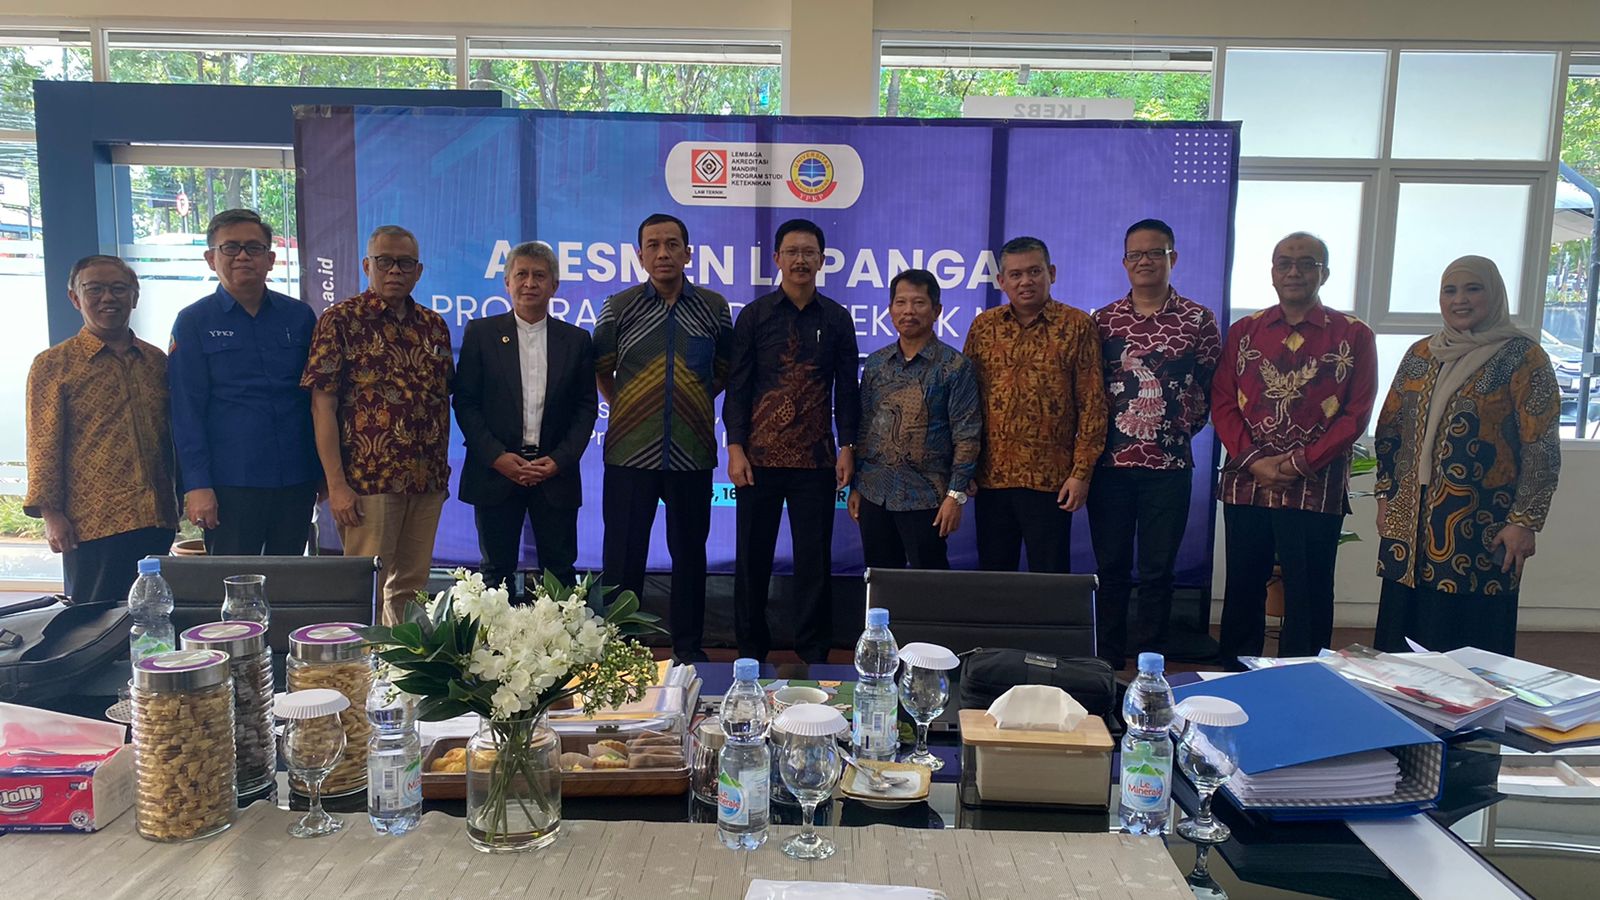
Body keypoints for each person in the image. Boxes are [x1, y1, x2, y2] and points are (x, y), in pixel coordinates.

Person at [1372, 256, 1560, 656]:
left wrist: (1524, 521)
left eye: (1473, 289)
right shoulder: (1421, 354)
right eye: (1450, 290)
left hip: (1483, 528)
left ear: (1494, 295)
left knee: (1469, 647)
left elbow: (1541, 447)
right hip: (1410, 523)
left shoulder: (1523, 357)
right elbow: (1390, 429)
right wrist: (1387, 497)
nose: (1460, 299)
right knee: (1401, 641)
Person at [1212, 232, 1377, 668]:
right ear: (1272, 273)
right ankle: (1235, 675)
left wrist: (1301, 462)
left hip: (1315, 486)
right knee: (1243, 587)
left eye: (1306, 263)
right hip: (1248, 483)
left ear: (1325, 273)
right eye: (1284, 263)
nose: (1294, 272)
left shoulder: (1354, 334)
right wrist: (1255, 462)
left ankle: (1302, 677)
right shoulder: (1244, 332)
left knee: (1309, 591)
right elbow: (1223, 402)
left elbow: (1356, 412)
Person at [594, 213, 733, 662]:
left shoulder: (714, 308)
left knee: (690, 555)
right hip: (629, 452)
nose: (663, 253)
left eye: (672, 244)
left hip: (692, 452)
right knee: (623, 558)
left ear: (688, 253)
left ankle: (688, 649)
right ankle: (618, 649)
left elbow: (723, 370)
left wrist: (690, 401)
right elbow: (601, 368)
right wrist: (631, 405)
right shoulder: (619, 306)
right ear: (640, 256)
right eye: (652, 245)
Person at [724, 219, 860, 663]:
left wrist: (848, 445)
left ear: (822, 260)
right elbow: (738, 386)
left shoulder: (837, 319)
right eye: (792, 252)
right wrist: (735, 446)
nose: (800, 260)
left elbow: (847, 389)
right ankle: (750, 650)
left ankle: (814, 652)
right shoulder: (755, 315)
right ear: (777, 259)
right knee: (752, 559)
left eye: (809, 252)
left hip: (817, 460)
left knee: (814, 562)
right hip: (758, 459)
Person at [302, 225, 452, 626]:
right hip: (368, 481)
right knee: (366, 586)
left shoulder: (433, 326)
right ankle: (360, 663)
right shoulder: (340, 321)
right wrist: (336, 485)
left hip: (425, 480)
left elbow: (442, 400)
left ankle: (402, 663)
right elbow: (322, 407)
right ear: (367, 265)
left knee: (412, 588)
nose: (395, 271)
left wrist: (440, 475)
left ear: (419, 271)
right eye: (385, 261)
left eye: (405, 263)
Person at [1088, 219, 1221, 670]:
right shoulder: (1103, 321)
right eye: (1135, 254)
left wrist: (1174, 429)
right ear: (1124, 262)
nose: (1144, 261)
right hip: (1109, 466)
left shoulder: (1198, 319)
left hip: (1169, 465)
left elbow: (1209, 387)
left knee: (1158, 570)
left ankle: (1150, 662)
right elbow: (1091, 390)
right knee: (1111, 567)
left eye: (1154, 253)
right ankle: (1106, 659)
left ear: (1172, 258)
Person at [25, 255, 177, 602]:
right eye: (94, 289)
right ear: (75, 298)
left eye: (118, 288)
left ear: (134, 297)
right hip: (92, 523)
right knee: (92, 620)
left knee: (154, 614)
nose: (108, 298)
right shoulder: (53, 365)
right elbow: (43, 444)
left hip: (156, 516)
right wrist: (51, 515)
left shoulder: (155, 361)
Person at [168, 209, 319, 556]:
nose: (242, 256)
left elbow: (317, 399)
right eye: (230, 247)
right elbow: (186, 411)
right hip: (230, 481)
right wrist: (197, 485)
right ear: (211, 258)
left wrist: (325, 474)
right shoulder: (193, 322)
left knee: (290, 577)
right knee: (233, 579)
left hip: (296, 476)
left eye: (253, 248)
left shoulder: (299, 317)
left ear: (270, 259)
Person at [455, 241, 597, 593]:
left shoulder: (576, 340)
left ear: (554, 285)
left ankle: (559, 633)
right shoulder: (480, 334)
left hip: (554, 474)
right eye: (521, 275)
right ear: (507, 282)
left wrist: (559, 460)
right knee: (495, 575)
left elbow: (585, 408)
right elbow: (466, 402)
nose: (530, 283)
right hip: (496, 471)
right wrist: (497, 457)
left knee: (560, 575)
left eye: (539, 275)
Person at [963, 235, 1106, 573]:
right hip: (991, 478)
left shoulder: (1077, 325)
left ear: (1051, 273)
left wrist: (1081, 474)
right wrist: (963, 467)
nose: (1025, 281)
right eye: (1015, 274)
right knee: (995, 580)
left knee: (1050, 580)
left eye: (1034, 271)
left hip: (1052, 479)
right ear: (1001, 281)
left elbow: (1092, 404)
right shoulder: (984, 327)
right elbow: (966, 403)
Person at [848, 268, 981, 570]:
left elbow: (967, 435)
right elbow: (865, 427)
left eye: (919, 303)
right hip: (874, 493)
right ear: (890, 309)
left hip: (927, 497)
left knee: (929, 584)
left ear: (936, 310)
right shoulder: (876, 364)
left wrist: (955, 495)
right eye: (901, 302)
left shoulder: (955, 367)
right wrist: (856, 486)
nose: (908, 311)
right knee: (881, 581)